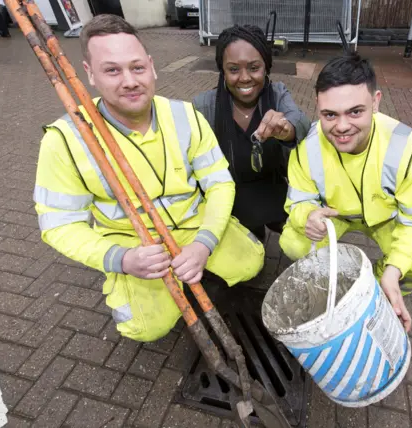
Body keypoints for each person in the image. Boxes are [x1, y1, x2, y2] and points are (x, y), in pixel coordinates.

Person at [33, 14, 265, 342]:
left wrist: (204, 244)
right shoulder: (65, 139)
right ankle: (138, 286)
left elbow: (219, 183)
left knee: (251, 263)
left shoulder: (185, 115)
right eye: (112, 70)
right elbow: (59, 225)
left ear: (152, 67)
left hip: (193, 227)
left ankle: (197, 271)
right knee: (144, 328)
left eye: (137, 67)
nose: (129, 80)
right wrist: (122, 260)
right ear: (90, 75)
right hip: (136, 246)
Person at [280, 53, 412, 332]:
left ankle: (384, 285)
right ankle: (334, 288)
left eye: (355, 112)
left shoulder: (407, 147)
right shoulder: (306, 148)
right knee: (293, 243)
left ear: (376, 102)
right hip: (336, 217)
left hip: (387, 220)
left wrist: (396, 269)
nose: (342, 126)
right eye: (330, 115)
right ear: (318, 108)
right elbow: (298, 201)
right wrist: (308, 215)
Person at [193, 24, 310, 242]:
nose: (245, 78)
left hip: (273, 188)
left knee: (302, 239)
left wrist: (286, 130)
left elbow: (301, 122)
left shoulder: (277, 94)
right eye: (234, 69)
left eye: (254, 67)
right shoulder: (204, 106)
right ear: (223, 71)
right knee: (245, 262)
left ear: (266, 67)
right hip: (230, 193)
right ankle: (249, 232)